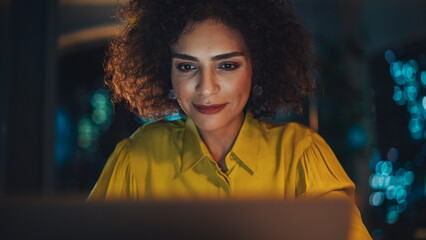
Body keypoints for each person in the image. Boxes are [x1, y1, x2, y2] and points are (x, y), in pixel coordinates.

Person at [89, 0, 372, 239]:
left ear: (256, 68)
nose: (206, 88)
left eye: (227, 66)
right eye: (187, 67)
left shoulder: (300, 154)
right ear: (167, 74)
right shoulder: (136, 158)